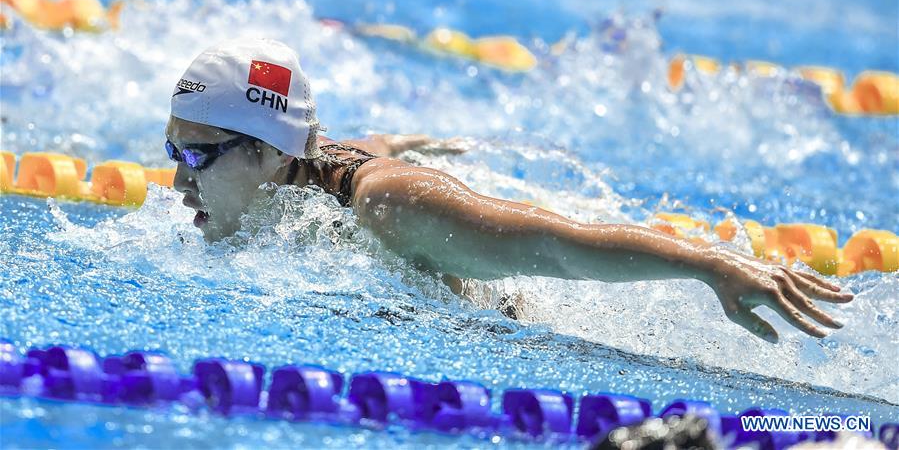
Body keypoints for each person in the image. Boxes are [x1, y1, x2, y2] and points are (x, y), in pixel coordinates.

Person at [165, 38, 853, 344]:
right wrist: (409, 140)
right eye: (171, 150)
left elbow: (554, 243)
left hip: (521, 337)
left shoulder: (389, 205)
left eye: (196, 154)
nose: (176, 179)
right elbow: (371, 142)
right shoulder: (312, 170)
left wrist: (712, 264)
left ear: (268, 152)